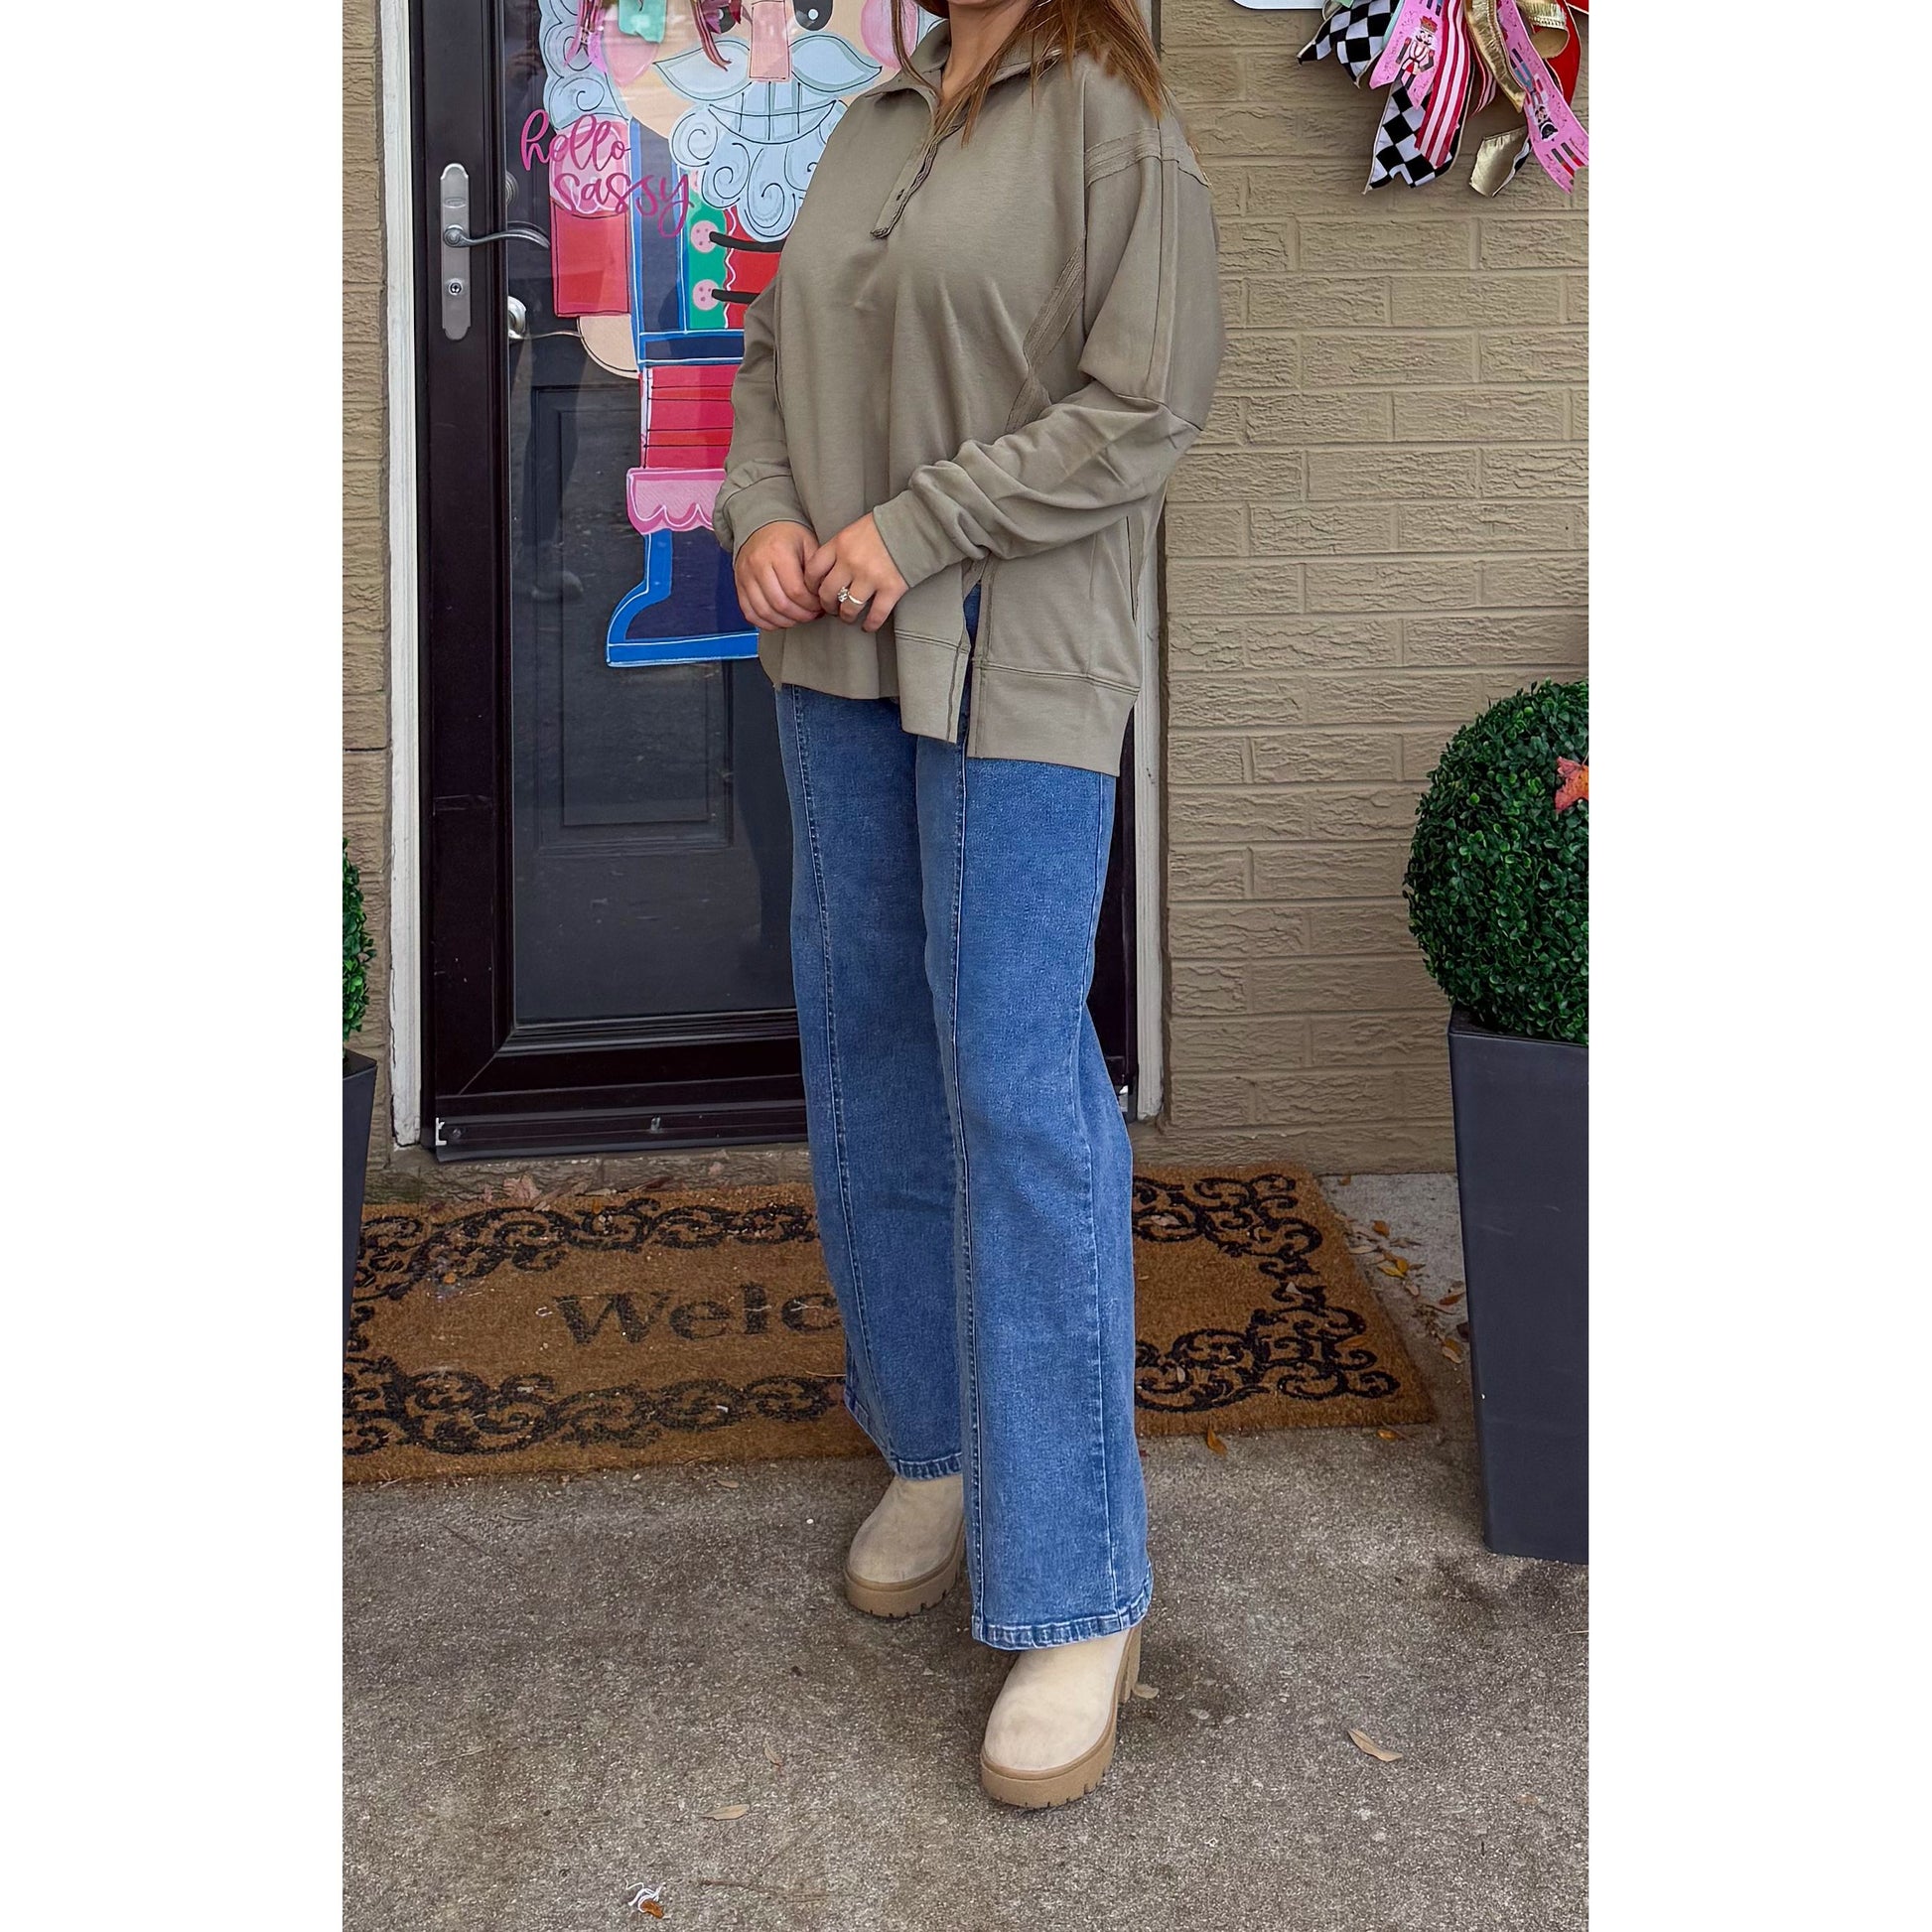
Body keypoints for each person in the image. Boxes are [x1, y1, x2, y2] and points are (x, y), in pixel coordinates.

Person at [712, 0, 1223, 1809]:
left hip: (1017, 662)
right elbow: (771, 362)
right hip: (833, 659)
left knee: (1011, 1080)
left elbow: (1144, 404)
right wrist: (761, 513)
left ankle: (1078, 1583)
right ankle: (930, 1444)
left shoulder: (1112, 125)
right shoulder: (872, 118)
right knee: (866, 1043)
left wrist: (918, 526)